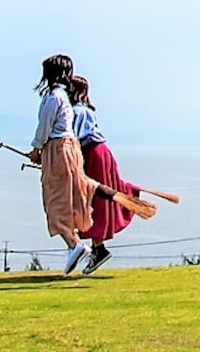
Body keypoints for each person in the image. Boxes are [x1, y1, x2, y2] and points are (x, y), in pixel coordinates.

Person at [27, 54, 135, 275]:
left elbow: (44, 128)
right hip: (79, 151)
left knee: (61, 200)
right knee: (83, 196)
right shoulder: (69, 103)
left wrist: (37, 150)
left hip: (73, 151)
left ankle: (76, 246)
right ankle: (86, 246)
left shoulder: (55, 99)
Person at [69, 75, 141, 275]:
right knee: (94, 200)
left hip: (91, 155)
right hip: (97, 153)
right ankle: (96, 247)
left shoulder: (76, 112)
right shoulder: (85, 111)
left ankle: (91, 247)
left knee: (92, 201)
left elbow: (72, 139)